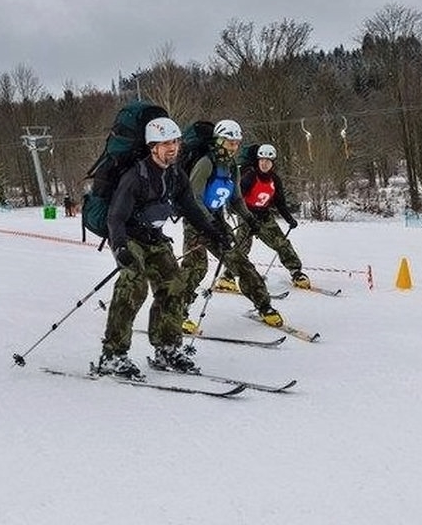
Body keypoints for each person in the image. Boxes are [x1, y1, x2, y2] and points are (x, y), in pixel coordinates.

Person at [96, 117, 232, 379]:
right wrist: (121, 248)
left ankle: (167, 348)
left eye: (176, 142)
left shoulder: (174, 173)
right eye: (166, 143)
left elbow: (191, 208)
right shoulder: (136, 176)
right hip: (129, 238)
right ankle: (113, 355)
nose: (173, 148)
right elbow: (115, 218)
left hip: (154, 238)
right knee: (133, 286)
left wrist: (214, 233)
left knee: (175, 285)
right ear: (152, 147)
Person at [179, 119, 283, 333]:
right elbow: (194, 198)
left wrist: (249, 219)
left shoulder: (231, 169)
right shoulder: (206, 163)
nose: (233, 147)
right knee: (195, 270)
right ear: (219, 141)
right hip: (196, 223)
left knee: (241, 263)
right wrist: (209, 226)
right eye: (229, 142)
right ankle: (177, 313)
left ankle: (264, 306)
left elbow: (235, 199)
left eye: (236, 143)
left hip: (217, 222)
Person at [215, 143, 311, 291]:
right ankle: (227, 276)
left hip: (264, 216)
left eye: (268, 161)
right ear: (258, 161)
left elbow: (280, 203)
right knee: (242, 247)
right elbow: (236, 198)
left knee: (281, 243)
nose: (264, 163)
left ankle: (296, 272)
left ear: (272, 163)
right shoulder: (250, 177)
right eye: (262, 160)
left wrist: (289, 219)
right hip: (247, 216)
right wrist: (239, 213)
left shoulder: (275, 180)